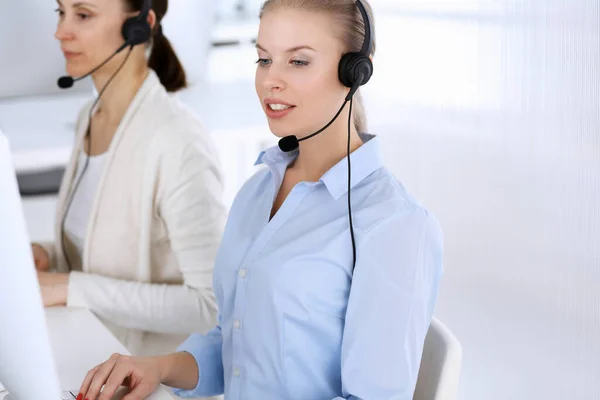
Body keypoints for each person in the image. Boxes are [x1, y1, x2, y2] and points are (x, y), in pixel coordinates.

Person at [76, 0, 444, 399]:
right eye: (264, 59)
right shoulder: (257, 191)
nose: (271, 80)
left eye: (298, 62)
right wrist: (156, 367)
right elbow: (236, 346)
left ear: (356, 71)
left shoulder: (393, 225)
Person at [33, 0, 227, 357]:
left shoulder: (179, 142)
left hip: (155, 378)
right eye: (60, 12)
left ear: (141, 23)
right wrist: (47, 255)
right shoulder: (90, 117)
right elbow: (103, 249)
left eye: (84, 14)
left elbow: (210, 307)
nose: (61, 31)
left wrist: (70, 287)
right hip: (91, 350)